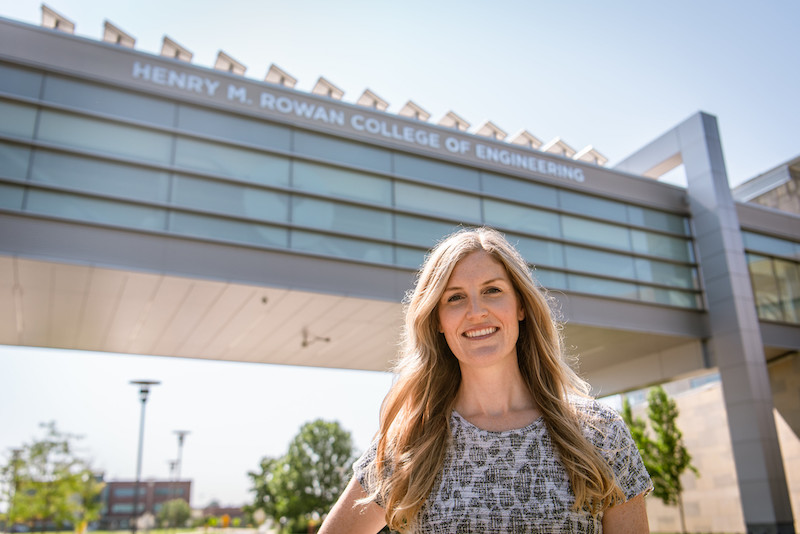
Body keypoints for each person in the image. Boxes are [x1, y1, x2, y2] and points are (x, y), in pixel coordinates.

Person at [320, 227, 652, 534]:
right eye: (455, 297)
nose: (476, 311)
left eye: (492, 290)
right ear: (437, 320)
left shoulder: (600, 432)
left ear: (520, 306)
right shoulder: (409, 442)